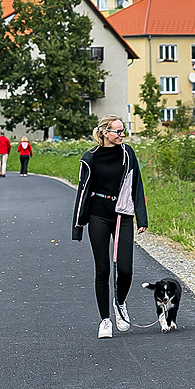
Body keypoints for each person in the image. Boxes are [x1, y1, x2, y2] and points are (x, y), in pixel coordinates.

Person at [71, 116, 149, 339]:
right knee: (103, 269)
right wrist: (77, 226)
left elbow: (137, 185)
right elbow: (83, 192)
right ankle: (105, 320)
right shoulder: (90, 158)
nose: (122, 135)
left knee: (125, 269)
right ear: (105, 132)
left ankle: (120, 303)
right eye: (117, 131)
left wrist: (141, 218)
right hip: (98, 214)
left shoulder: (127, 154)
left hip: (122, 213)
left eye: (123, 131)